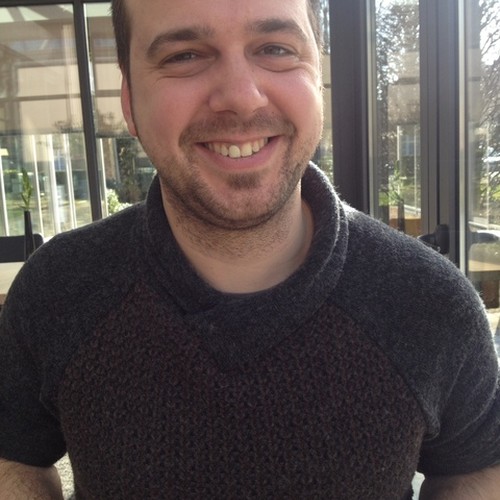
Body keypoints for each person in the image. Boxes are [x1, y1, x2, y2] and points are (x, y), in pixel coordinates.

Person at [0, 0, 499, 497]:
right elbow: (14, 459)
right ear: (129, 101)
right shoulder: (58, 288)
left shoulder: (431, 301)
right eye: (184, 56)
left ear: (317, 79)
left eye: (276, 49)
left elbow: (475, 472)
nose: (241, 97)